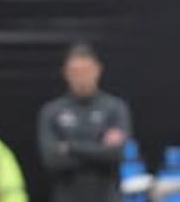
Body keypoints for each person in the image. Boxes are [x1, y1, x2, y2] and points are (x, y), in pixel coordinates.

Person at [37, 43, 132, 202]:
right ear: (66, 73)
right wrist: (98, 148)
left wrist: (69, 147)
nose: (81, 77)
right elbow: (52, 161)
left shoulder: (115, 108)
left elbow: (115, 154)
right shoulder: (52, 111)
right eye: (75, 72)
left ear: (98, 70)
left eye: (86, 71)